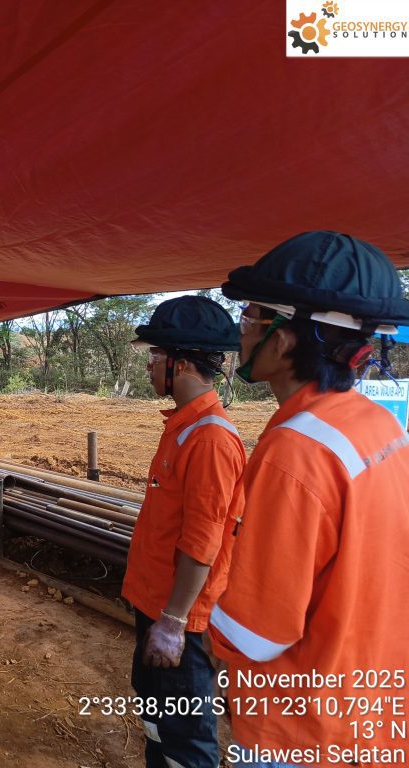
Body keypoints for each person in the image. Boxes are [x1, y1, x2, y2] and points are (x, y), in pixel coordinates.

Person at [207, 231, 409, 767]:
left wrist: (193, 626)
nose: (242, 333)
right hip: (373, 714)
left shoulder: (294, 450)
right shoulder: (378, 425)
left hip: (300, 731)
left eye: (250, 318)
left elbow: (257, 632)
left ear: (284, 338)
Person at [122, 296, 246, 768]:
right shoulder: (182, 426)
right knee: (159, 724)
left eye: (155, 357)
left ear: (181, 362)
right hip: (156, 604)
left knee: (186, 737)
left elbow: (203, 540)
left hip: (181, 623)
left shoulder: (211, 438)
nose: (150, 366)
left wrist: (173, 623)